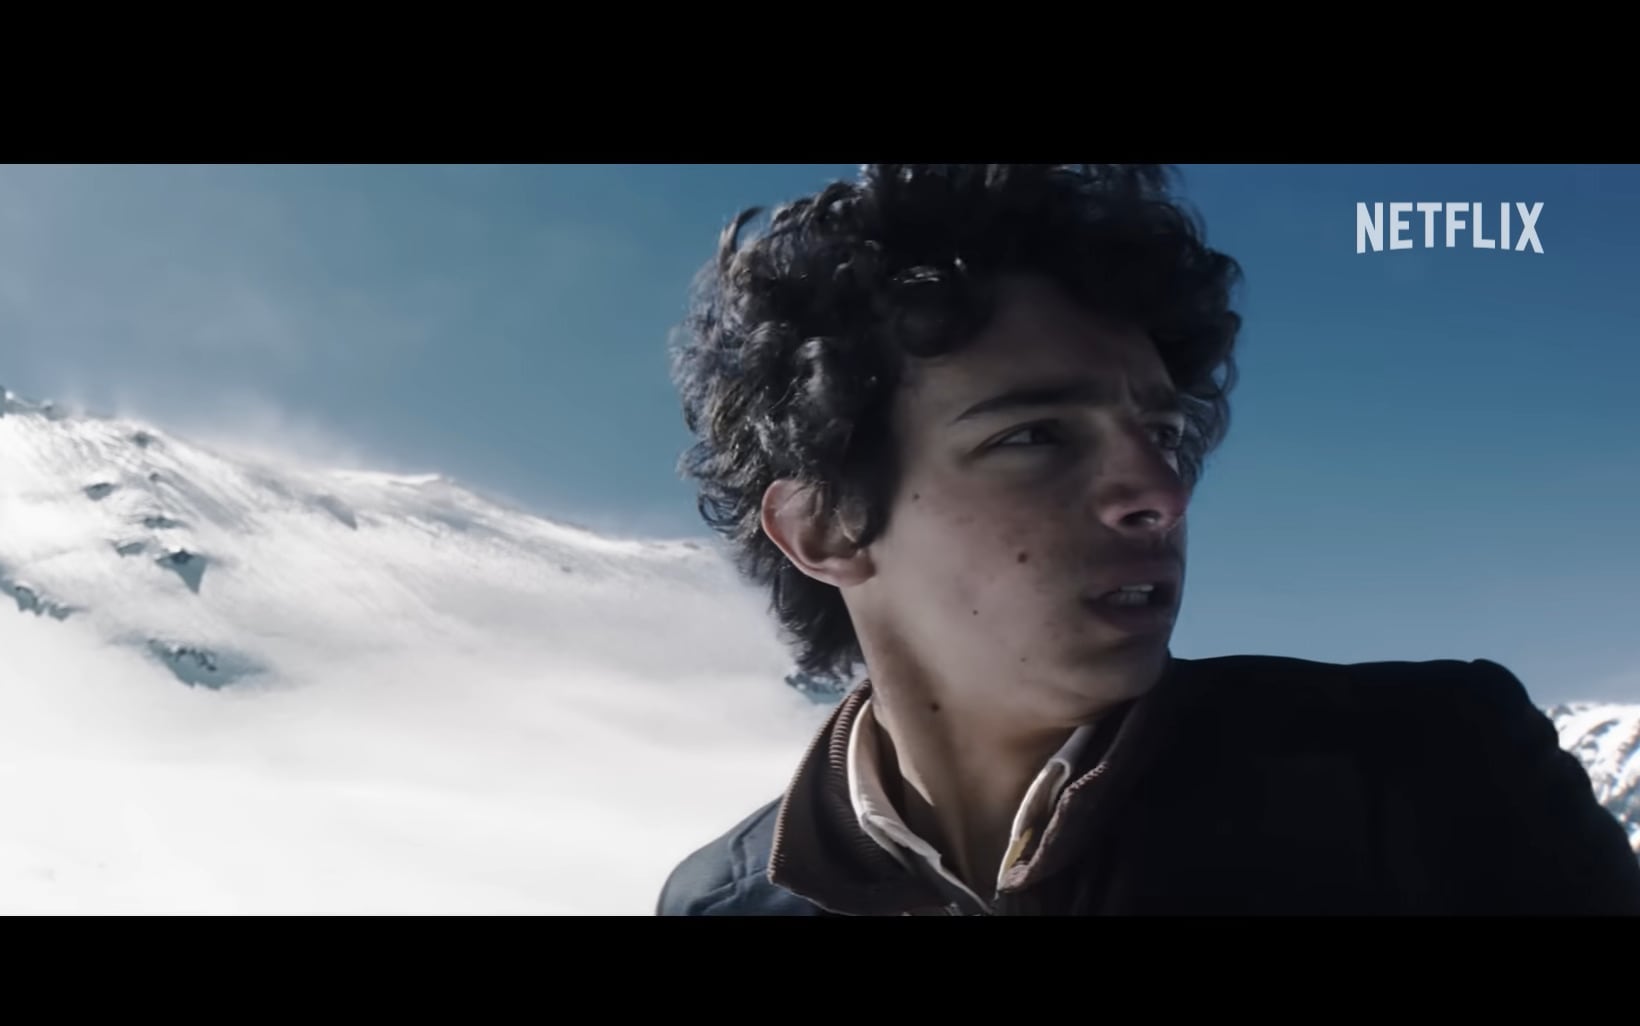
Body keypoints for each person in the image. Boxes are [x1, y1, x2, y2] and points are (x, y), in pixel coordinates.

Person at [656, 164, 1640, 916]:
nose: (1161, 493)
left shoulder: (1433, 775)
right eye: (1035, 436)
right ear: (825, 526)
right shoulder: (720, 901)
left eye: (1163, 435)